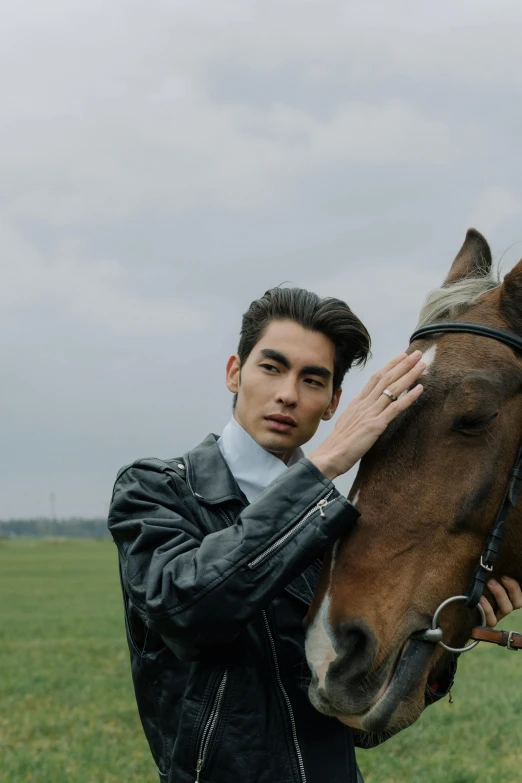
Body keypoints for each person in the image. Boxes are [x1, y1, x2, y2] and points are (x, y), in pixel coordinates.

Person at [108, 288, 522, 783]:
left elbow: (357, 720)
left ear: (333, 404)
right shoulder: (155, 489)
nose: (288, 394)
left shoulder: (337, 523)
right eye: (271, 368)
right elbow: (188, 612)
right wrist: (324, 469)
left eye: (312, 380)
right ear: (234, 373)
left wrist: (444, 638)